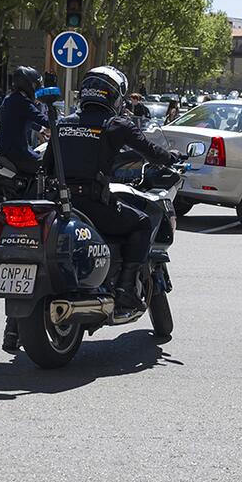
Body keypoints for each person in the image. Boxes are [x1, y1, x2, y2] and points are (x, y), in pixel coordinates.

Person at [43, 65, 180, 316]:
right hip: (91, 203)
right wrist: (171, 158)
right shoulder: (116, 125)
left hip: (58, 202)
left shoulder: (62, 124)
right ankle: (126, 289)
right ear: (115, 96)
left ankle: (14, 327)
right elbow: (149, 150)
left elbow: (47, 166)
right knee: (141, 223)